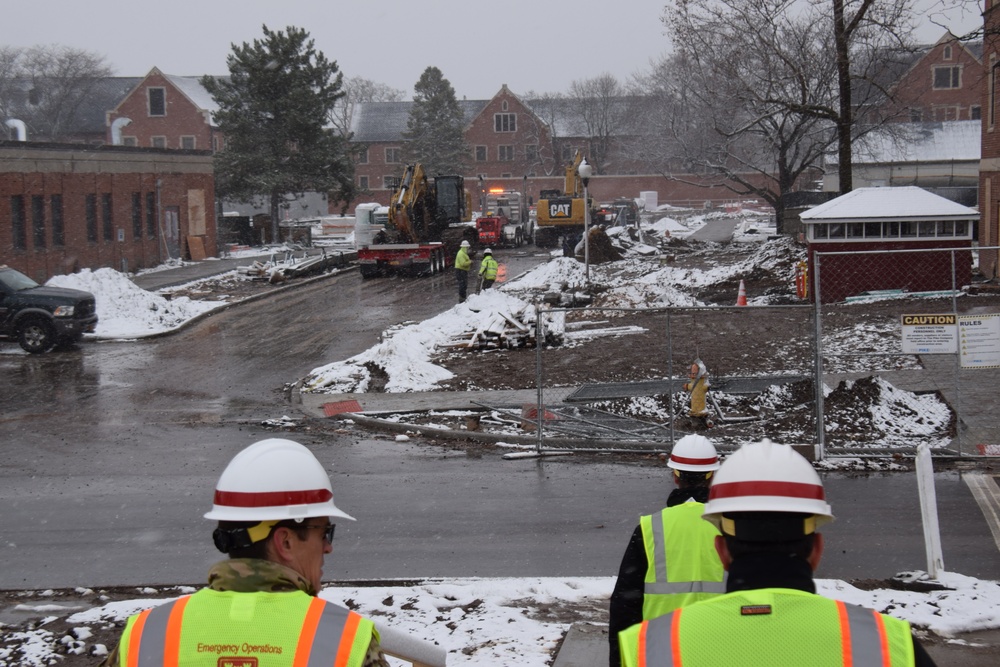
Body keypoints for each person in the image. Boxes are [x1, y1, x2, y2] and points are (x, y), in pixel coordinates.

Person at [618, 439, 937, 667]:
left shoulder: (649, 650)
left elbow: (625, 603)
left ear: (721, 550)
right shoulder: (887, 646)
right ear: (817, 550)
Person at [99, 438, 390, 667]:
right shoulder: (344, 640)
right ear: (285, 542)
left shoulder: (146, 635)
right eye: (324, 531)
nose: (328, 546)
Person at [608, 434, 725, 667]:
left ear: (675, 476)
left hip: (662, 652)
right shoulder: (733, 526)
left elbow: (625, 605)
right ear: (713, 477)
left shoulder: (650, 528)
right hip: (720, 649)